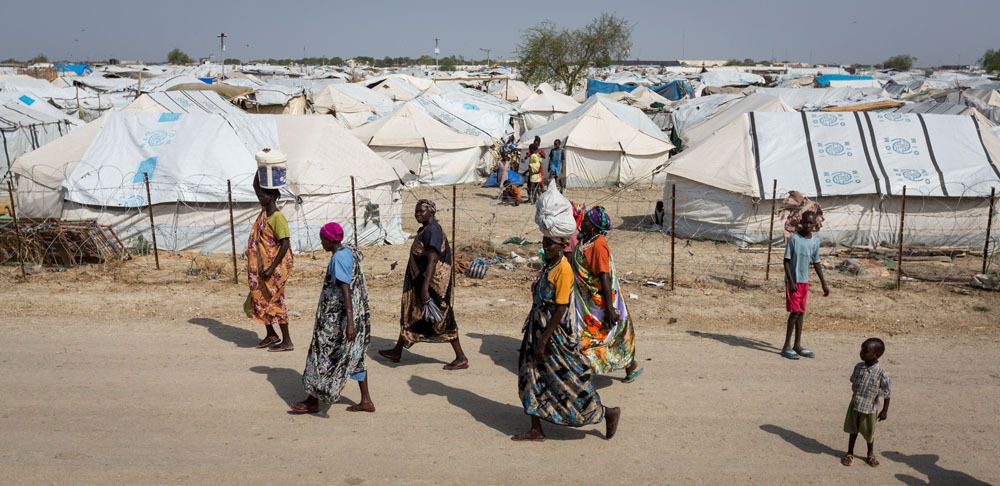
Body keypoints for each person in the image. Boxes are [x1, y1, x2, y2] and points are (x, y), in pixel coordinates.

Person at [512, 236, 621, 442]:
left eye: (549, 245)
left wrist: (544, 340)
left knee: (569, 384)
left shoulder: (563, 270)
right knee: (530, 378)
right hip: (537, 331)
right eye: (543, 244)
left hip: (554, 337)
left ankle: (606, 412)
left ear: (562, 246)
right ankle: (536, 428)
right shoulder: (549, 266)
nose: (545, 248)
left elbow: (561, 308)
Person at [290, 223, 375, 414]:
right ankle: (366, 400)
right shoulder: (349, 252)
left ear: (330, 240)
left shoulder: (338, 259)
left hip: (336, 320)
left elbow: (346, 292)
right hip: (353, 315)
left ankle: (312, 400)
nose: (322, 244)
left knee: (320, 354)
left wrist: (350, 324)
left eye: (323, 240)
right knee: (355, 355)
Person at [379, 200, 469, 370]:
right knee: (410, 314)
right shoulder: (426, 229)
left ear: (432, 212)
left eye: (421, 211)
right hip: (422, 282)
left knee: (442, 318)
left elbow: (432, 260)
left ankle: (461, 357)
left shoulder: (432, 231)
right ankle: (397, 351)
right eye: (416, 211)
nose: (417, 214)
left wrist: (425, 287)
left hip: (434, 286)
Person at [572, 207, 643, 382]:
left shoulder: (597, 244)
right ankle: (630, 366)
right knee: (606, 335)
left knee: (597, 336)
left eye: (587, 220)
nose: (583, 221)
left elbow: (603, 276)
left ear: (594, 226)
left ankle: (584, 377)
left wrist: (609, 308)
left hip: (600, 300)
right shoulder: (586, 240)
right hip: (588, 301)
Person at [247, 174, 294, 351]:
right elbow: (255, 185)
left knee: (276, 303)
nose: (260, 197)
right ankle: (271, 334)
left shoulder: (277, 217)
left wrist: (271, 267)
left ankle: (287, 341)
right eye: (260, 194)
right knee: (260, 299)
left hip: (274, 269)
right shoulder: (265, 213)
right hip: (261, 268)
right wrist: (261, 167)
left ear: (273, 196)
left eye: (264, 194)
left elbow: (284, 244)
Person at [780, 211, 829, 360]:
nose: (808, 225)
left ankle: (797, 344)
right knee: (795, 312)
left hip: (804, 281)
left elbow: (816, 262)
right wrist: (791, 282)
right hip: (793, 282)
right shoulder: (794, 239)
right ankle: (786, 345)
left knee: (801, 313)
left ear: (815, 224)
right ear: (801, 222)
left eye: (811, 223)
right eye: (805, 222)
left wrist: (824, 284)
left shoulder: (815, 241)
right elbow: (786, 261)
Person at [841, 338, 892, 468]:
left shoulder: (882, 373)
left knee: (870, 433)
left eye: (866, 351)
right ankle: (849, 453)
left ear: (876, 354)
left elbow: (887, 393)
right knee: (853, 431)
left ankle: (870, 454)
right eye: (862, 349)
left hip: (870, 409)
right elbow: (854, 381)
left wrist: (885, 410)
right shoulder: (858, 367)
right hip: (855, 405)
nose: (862, 352)